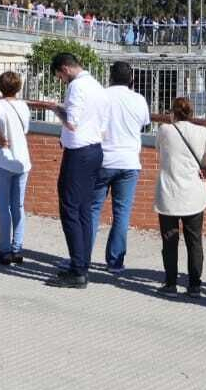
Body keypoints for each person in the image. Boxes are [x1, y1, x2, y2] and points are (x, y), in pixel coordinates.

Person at [154, 96, 206, 296]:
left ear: (173, 112)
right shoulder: (202, 132)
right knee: (194, 241)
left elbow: (159, 152)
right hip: (195, 195)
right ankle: (195, 285)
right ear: (191, 113)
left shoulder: (164, 130)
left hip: (168, 195)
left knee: (169, 241)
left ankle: (170, 284)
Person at [47, 52, 107, 289]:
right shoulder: (97, 86)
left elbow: (72, 121)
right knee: (83, 209)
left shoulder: (77, 87)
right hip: (94, 149)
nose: (61, 80)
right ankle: (81, 262)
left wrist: (57, 110)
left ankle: (78, 269)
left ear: (65, 69)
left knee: (70, 208)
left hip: (79, 153)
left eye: (60, 75)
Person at [91, 61, 151, 272]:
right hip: (129, 162)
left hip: (103, 159)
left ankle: (83, 257)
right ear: (131, 79)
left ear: (110, 77)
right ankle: (115, 262)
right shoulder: (139, 100)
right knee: (122, 213)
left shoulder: (102, 96)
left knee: (92, 209)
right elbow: (145, 123)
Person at [0, 71, 31, 265]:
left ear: (0, 86)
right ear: (18, 87)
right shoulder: (24, 106)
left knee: (3, 208)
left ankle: (4, 250)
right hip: (22, 161)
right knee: (18, 206)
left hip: (1, 161)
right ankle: (17, 248)